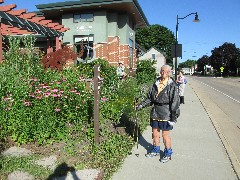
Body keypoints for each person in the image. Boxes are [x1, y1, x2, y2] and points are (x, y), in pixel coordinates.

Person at [137, 64, 180, 163]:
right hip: (155, 112)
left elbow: (175, 102)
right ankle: (155, 150)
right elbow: (150, 98)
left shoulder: (172, 85)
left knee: (165, 135)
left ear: (169, 73)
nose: (162, 73)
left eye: (164, 71)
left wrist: (174, 117)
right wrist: (140, 105)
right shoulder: (156, 83)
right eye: (161, 71)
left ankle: (168, 153)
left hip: (166, 113)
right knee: (155, 133)